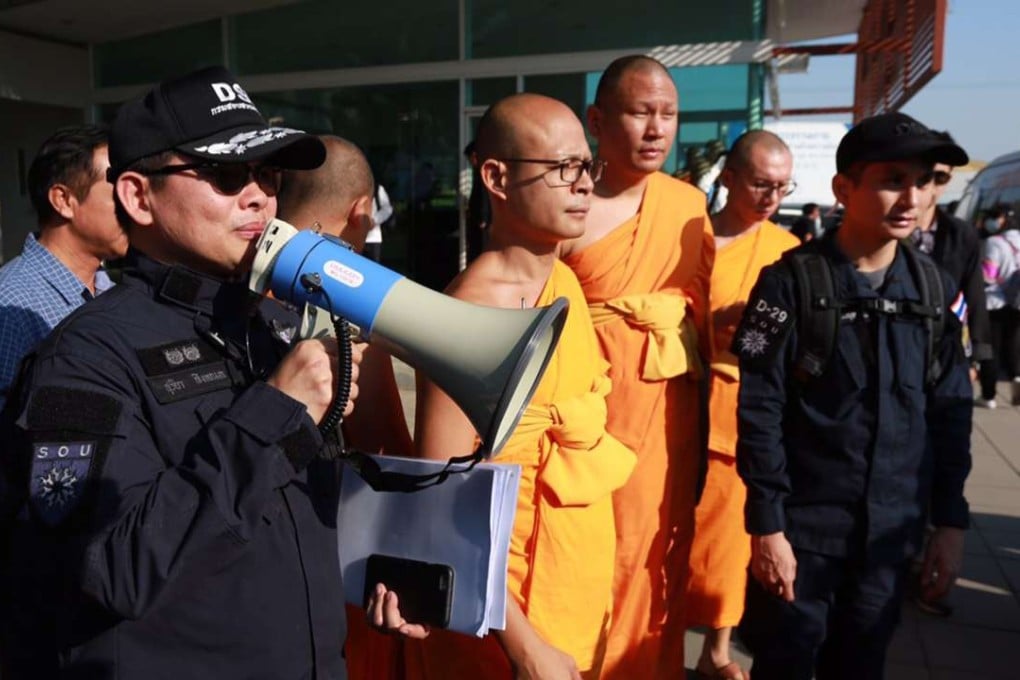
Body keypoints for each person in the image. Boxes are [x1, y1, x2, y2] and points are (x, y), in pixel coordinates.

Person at [0, 66, 363, 679]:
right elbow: (107, 567)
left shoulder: (265, 329)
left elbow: (275, 523)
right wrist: (273, 413)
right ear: (139, 197)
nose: (259, 197)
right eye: (225, 175)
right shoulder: (85, 356)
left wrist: (377, 572)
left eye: (267, 176)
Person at [392, 93, 636, 680]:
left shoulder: (566, 282)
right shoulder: (467, 315)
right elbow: (443, 496)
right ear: (497, 177)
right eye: (562, 168)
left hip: (574, 562)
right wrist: (523, 647)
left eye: (587, 166)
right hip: (501, 607)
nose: (583, 185)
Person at [734, 112, 973, 680]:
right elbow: (758, 409)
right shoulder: (788, 282)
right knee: (785, 663)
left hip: (891, 538)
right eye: (893, 179)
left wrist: (950, 524)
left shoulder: (935, 289)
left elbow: (951, 412)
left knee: (862, 664)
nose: (912, 197)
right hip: (803, 535)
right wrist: (767, 526)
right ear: (845, 188)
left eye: (926, 180)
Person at [560, 54, 715, 679]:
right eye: (639, 112)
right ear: (598, 120)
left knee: (658, 547)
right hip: (589, 413)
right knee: (592, 550)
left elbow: (700, 311)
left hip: (669, 415)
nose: (656, 129)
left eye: (668, 115)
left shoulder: (687, 204)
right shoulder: (567, 203)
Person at [686, 130, 800, 680]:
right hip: (676, 396)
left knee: (726, 541)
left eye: (781, 187)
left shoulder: (788, 253)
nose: (771, 197)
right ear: (728, 178)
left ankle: (715, 649)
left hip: (738, 409)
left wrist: (748, 335)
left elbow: (794, 341)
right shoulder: (691, 238)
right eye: (761, 184)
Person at [0, 124, 127, 410]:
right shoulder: (12, 304)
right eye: (118, 192)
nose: (135, 207)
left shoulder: (109, 289)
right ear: (63, 200)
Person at [907, 144, 992, 413]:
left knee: (950, 440)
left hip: (948, 349)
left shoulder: (960, 234)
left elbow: (975, 294)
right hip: (900, 346)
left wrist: (977, 356)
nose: (933, 186)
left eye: (941, 178)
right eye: (927, 176)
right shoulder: (891, 231)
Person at [979, 203, 1020, 407]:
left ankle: (989, 395)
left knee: (991, 349)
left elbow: (989, 275)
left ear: (1003, 218)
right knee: (1012, 345)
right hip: (1016, 303)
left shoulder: (994, 242)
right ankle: (1017, 380)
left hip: (994, 302)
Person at [366, 182, 393, 263]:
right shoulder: (350, 185)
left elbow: (387, 208)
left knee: (374, 269)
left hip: (373, 238)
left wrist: (375, 220)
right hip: (353, 236)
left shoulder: (377, 188)